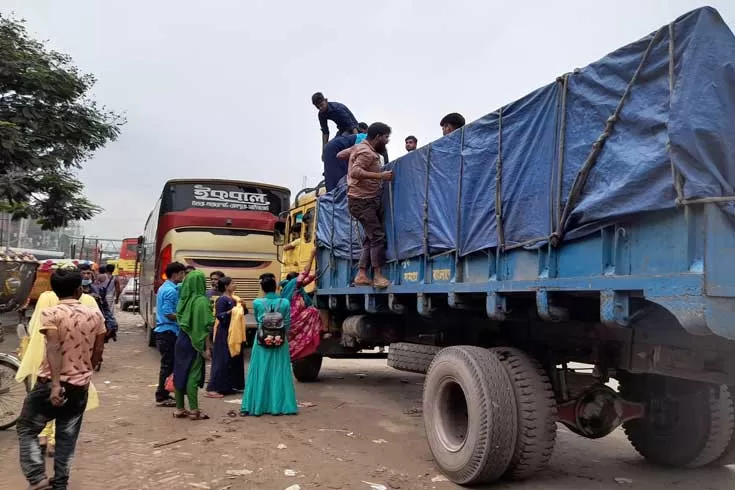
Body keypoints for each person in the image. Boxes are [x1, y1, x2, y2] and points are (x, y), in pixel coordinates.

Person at [16, 268, 106, 490]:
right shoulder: (96, 316)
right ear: (79, 290)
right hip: (79, 386)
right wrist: (85, 371)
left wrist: (56, 384)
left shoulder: (51, 314)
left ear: (54, 291)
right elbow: (98, 352)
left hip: (49, 384)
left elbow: (54, 347)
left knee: (27, 428)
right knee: (67, 437)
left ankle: (37, 478)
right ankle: (60, 484)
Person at [240, 273, 298, 417]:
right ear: (275, 287)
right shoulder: (284, 302)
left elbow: (259, 320)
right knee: (280, 371)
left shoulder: (257, 302)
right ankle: (282, 406)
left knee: (260, 370)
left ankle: (257, 405)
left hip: (261, 341)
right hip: (280, 340)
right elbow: (287, 323)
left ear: (262, 288)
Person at [346, 122, 393, 289]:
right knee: (378, 237)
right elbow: (355, 172)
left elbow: (340, 155)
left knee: (370, 238)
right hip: (364, 202)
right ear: (378, 136)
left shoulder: (359, 148)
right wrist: (380, 176)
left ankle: (361, 274)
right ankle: (378, 277)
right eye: (386, 137)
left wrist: (352, 153)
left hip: (359, 201)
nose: (387, 141)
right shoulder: (367, 153)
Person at [173, 270, 214, 420]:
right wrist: (207, 348)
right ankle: (194, 410)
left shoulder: (184, 299)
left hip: (181, 340)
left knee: (180, 372)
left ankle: (179, 408)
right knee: (193, 376)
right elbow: (205, 327)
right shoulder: (202, 301)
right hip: (195, 342)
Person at [205, 277, 246, 398]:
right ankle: (213, 388)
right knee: (222, 360)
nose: (235, 284)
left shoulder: (235, 299)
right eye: (233, 283)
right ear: (226, 286)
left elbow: (243, 313)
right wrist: (231, 312)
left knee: (233, 359)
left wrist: (242, 307)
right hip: (224, 333)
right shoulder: (222, 300)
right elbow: (219, 316)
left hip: (234, 332)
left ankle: (229, 385)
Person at [280, 248, 323, 360]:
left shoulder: (289, 287)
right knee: (313, 311)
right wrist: (312, 255)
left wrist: (316, 274)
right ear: (295, 278)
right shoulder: (294, 284)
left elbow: (307, 279)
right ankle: (315, 334)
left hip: (289, 318)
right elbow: (306, 272)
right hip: (294, 317)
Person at [153, 261, 186, 407]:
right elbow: (168, 313)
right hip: (168, 331)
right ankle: (162, 395)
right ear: (176, 274)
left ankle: (164, 393)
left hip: (165, 331)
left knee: (168, 365)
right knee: (167, 365)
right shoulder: (170, 291)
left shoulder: (166, 287)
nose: (183, 276)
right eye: (182, 273)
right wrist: (184, 318)